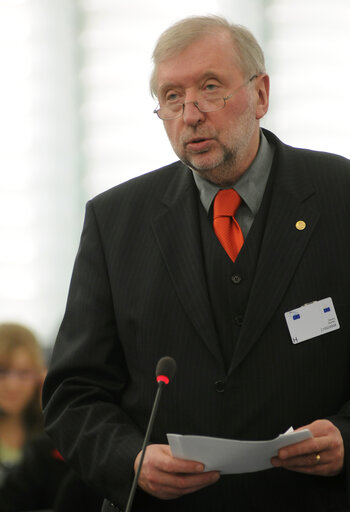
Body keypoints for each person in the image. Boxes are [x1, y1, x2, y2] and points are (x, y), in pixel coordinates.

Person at [42, 15, 350, 512]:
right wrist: (131, 459)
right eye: (171, 96)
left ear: (261, 95)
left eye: (210, 88)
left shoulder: (340, 197)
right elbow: (73, 396)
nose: (190, 114)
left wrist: (347, 440)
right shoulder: (114, 220)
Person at [0, 322, 45, 484]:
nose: (12, 385)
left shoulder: (50, 436)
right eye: (2, 372)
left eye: (24, 373)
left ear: (39, 377)